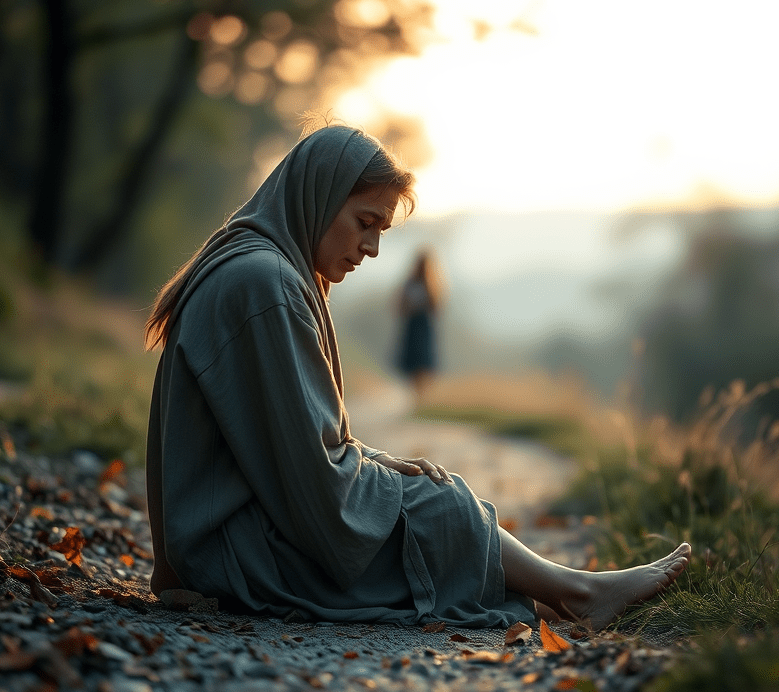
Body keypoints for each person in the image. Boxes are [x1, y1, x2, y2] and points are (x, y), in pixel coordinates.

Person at [143, 121, 691, 628]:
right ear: (318, 198)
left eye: (381, 230)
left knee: (417, 489)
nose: (373, 248)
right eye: (365, 223)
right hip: (231, 556)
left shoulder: (259, 270)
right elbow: (314, 480)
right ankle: (581, 595)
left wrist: (376, 465)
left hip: (218, 541)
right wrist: (380, 482)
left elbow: (287, 448)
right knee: (440, 503)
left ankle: (566, 592)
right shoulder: (265, 285)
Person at [396, 247, 445, 404]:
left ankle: (423, 396)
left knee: (424, 359)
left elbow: (436, 307)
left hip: (424, 325)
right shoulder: (410, 283)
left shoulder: (432, 285)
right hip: (413, 324)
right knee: (414, 359)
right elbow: (400, 306)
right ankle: (416, 396)